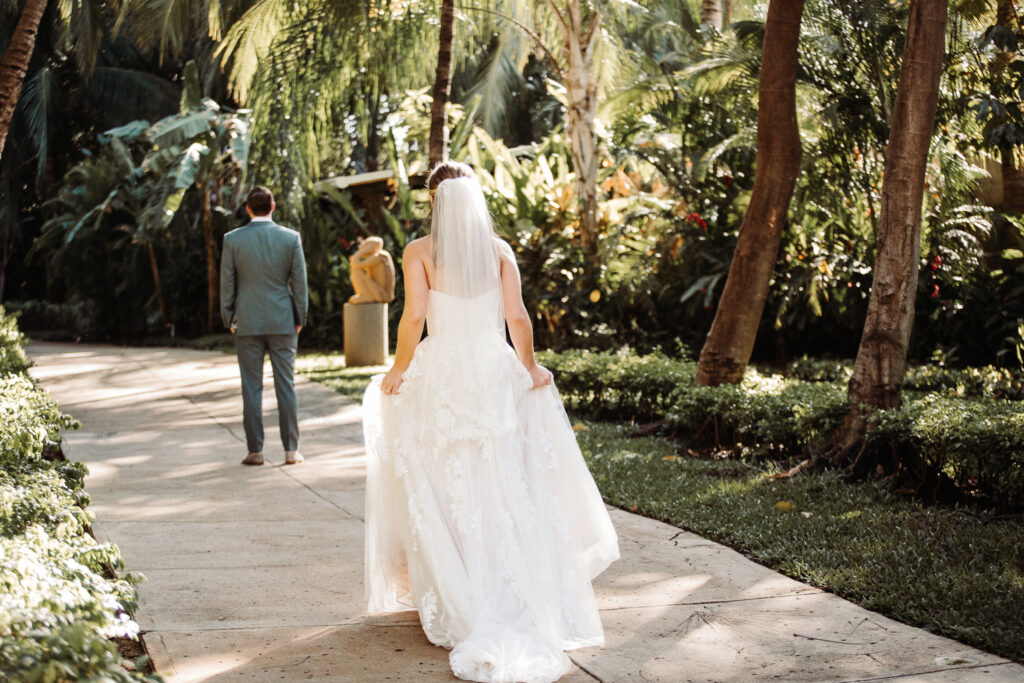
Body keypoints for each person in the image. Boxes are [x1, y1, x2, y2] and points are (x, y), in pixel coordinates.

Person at [362, 161, 619, 683]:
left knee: (443, 478)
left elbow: (413, 318)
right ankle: (509, 588)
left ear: (436, 201)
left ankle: (462, 590)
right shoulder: (499, 251)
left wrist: (397, 370)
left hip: (444, 371)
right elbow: (518, 317)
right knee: (501, 477)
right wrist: (528, 366)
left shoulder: (419, 252)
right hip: (492, 369)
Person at [220, 186, 308, 466]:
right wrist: (300, 318)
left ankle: (255, 451)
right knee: (286, 385)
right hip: (283, 321)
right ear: (272, 207)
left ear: (247, 209)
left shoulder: (233, 240)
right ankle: (291, 451)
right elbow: (300, 283)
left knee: (251, 387)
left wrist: (229, 318)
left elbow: (227, 284)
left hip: (247, 321)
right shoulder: (290, 238)